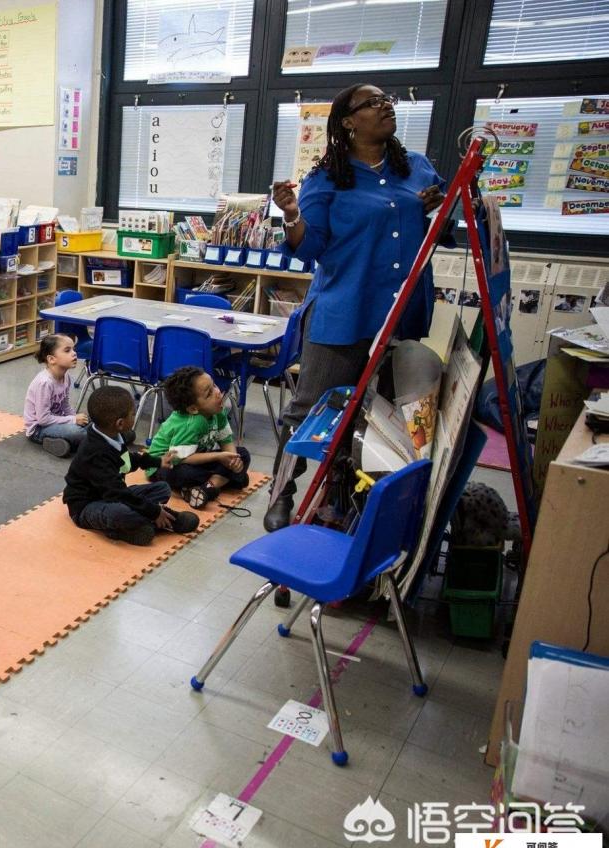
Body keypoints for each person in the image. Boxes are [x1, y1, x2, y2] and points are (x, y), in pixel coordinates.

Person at [266, 83, 447, 534]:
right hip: (343, 312)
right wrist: (290, 214)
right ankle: (282, 494)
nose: (386, 106)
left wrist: (440, 210)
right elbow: (310, 248)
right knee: (311, 409)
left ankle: (349, 502)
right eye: (374, 103)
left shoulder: (419, 169)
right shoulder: (326, 178)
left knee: (381, 418)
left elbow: (442, 234)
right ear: (348, 121)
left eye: (389, 101)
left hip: (401, 314)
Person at [63, 385, 199, 546]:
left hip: (110, 495)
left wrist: (158, 461)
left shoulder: (112, 436)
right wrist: (154, 511)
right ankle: (144, 523)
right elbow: (116, 493)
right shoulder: (95, 453)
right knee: (121, 512)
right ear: (120, 423)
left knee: (162, 488)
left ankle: (145, 522)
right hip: (87, 506)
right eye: (133, 414)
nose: (135, 417)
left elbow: (128, 460)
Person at [148, 366, 251, 509]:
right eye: (209, 394)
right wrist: (220, 458)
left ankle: (207, 488)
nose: (217, 392)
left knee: (243, 454)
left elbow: (226, 440)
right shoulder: (192, 423)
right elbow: (182, 458)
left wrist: (233, 460)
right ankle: (224, 480)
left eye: (214, 385)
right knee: (183, 474)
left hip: (197, 457)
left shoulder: (218, 411)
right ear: (193, 409)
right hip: (164, 464)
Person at [23, 334, 89, 457]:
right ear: (52, 359)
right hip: (39, 429)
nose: (74, 353)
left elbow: (65, 406)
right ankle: (51, 441)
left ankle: (64, 442)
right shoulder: (45, 383)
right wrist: (74, 420)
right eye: (67, 350)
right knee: (78, 432)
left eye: (73, 349)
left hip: (56, 422)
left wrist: (77, 418)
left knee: (89, 422)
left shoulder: (66, 377)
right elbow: (43, 420)